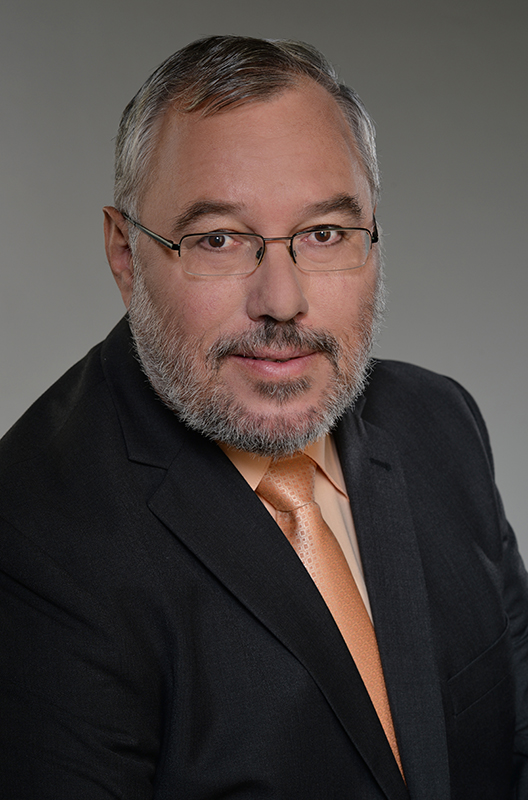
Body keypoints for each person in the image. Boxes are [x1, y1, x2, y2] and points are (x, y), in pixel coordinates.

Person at [1, 35, 527, 800]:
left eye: (324, 234)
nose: (281, 300)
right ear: (124, 253)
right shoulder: (33, 537)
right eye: (219, 239)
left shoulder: (441, 424)